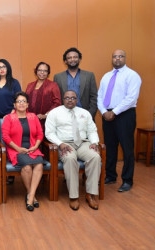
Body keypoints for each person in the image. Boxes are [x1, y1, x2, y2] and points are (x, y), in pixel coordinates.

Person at [45, 90, 101, 211]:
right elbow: (49, 133)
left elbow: (92, 130)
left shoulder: (84, 113)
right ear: (62, 99)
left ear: (77, 100)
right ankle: (74, 196)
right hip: (65, 144)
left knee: (95, 156)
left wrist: (94, 143)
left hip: (83, 143)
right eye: (67, 98)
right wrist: (60, 144)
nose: (70, 100)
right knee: (70, 159)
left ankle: (90, 194)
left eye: (73, 98)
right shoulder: (54, 113)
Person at [97, 49, 142, 192]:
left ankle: (127, 180)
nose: (117, 59)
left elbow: (131, 98)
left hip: (125, 115)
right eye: (115, 56)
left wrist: (114, 112)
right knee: (110, 147)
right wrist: (104, 112)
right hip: (107, 115)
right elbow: (100, 96)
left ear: (125, 58)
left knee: (127, 149)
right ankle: (110, 176)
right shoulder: (106, 76)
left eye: (120, 56)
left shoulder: (132, 75)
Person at [1, 92, 44, 212]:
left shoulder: (33, 116)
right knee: (27, 167)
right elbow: (5, 136)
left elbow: (40, 133)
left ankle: (30, 195)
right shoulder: (9, 118)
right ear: (14, 104)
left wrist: (35, 146)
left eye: (23, 101)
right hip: (16, 149)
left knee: (39, 165)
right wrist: (18, 149)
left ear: (27, 104)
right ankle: (32, 196)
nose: (21, 103)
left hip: (32, 148)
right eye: (18, 101)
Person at [53, 47, 98, 119]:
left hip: (84, 115)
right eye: (69, 58)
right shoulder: (58, 77)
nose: (72, 59)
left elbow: (94, 97)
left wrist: (89, 115)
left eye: (75, 57)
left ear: (79, 59)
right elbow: (56, 98)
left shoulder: (89, 75)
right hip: (64, 116)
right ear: (65, 61)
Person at [0, 59, 21, 139]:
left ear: (8, 68)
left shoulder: (14, 82)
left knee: (10, 139)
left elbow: (19, 100)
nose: (2, 69)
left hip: (11, 116)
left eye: (4, 67)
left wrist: (12, 113)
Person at [25, 62, 61, 131]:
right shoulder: (30, 85)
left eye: (45, 71)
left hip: (46, 121)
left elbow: (57, 103)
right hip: (30, 120)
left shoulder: (53, 85)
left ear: (48, 73)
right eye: (39, 70)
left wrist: (46, 115)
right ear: (36, 71)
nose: (42, 72)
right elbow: (25, 101)